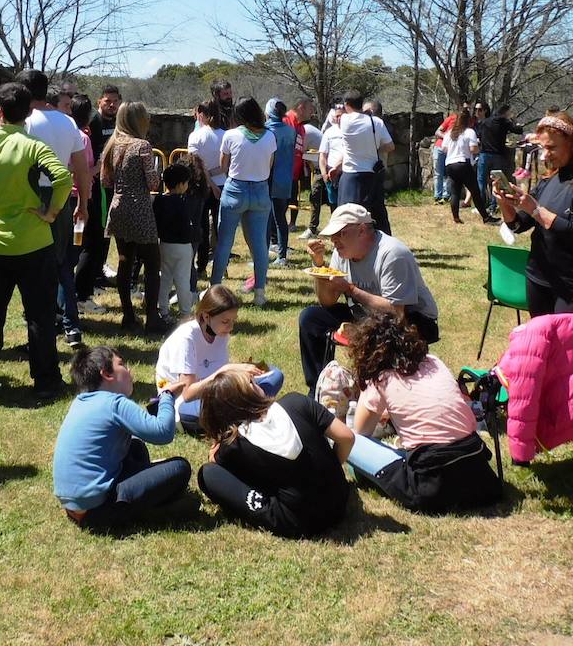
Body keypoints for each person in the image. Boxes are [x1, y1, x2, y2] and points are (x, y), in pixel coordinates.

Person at [0, 82, 72, 398]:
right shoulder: (33, 146)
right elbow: (62, 178)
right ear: (30, 112)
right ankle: (46, 381)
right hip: (33, 243)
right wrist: (51, 212)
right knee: (40, 316)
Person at [344, 313, 501, 514]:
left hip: (430, 484)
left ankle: (362, 475)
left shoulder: (382, 378)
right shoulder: (434, 362)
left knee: (349, 442)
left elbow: (360, 432)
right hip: (476, 470)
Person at [196, 367, 354, 538]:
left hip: (299, 522)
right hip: (340, 502)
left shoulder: (233, 445)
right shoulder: (296, 402)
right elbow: (347, 437)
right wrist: (331, 468)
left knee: (208, 474)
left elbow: (216, 466)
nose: (258, 384)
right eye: (252, 383)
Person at [298, 203, 440, 392]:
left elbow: (396, 312)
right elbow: (328, 302)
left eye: (340, 233)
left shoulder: (392, 253)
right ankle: (320, 388)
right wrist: (319, 266)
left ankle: (379, 394)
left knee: (379, 334)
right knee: (311, 318)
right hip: (368, 316)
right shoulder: (343, 252)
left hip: (412, 321)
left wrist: (350, 289)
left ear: (362, 230)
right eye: (332, 236)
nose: (334, 241)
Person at [52, 346, 193, 528]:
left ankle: (152, 503)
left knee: (136, 447)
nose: (129, 370)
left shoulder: (80, 402)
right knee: (180, 467)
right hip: (99, 509)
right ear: (107, 374)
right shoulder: (114, 403)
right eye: (122, 364)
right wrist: (167, 396)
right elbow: (163, 433)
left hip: (73, 506)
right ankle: (152, 511)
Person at [495, 111, 573, 316]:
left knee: (566, 344)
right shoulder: (548, 179)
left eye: (552, 147)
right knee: (543, 342)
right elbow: (517, 225)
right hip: (538, 276)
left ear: (572, 144)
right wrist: (505, 203)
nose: (545, 155)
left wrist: (536, 210)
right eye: (542, 147)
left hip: (570, 282)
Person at [22, 69, 93, 348]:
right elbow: (81, 169)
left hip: (34, 193)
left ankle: (41, 328)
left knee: (35, 264)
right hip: (63, 194)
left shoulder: (26, 123)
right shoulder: (67, 122)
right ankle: (71, 326)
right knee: (62, 263)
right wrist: (83, 204)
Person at [155, 285, 284, 434]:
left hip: (217, 392)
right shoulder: (186, 338)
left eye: (233, 321)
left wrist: (241, 377)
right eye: (225, 321)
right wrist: (228, 370)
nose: (230, 327)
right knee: (221, 405)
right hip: (186, 403)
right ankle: (253, 408)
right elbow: (187, 393)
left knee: (275, 374)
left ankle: (248, 409)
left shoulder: (220, 332)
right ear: (206, 317)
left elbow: (221, 379)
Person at [102, 101, 169, 332]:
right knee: (152, 262)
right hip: (139, 206)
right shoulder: (142, 145)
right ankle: (152, 317)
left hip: (118, 206)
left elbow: (105, 181)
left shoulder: (112, 144)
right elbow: (152, 182)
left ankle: (128, 316)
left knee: (124, 260)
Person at [211, 97, 277, 306]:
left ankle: (215, 288)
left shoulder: (231, 135)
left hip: (235, 190)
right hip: (260, 191)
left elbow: (224, 166)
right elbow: (270, 164)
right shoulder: (270, 136)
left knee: (224, 243)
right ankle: (259, 292)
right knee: (259, 245)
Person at [73, 85, 121, 312]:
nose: (111, 105)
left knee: (103, 236)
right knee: (90, 239)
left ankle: (96, 277)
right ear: (99, 102)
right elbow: (84, 162)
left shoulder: (119, 125)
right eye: (107, 101)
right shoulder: (91, 126)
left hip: (111, 186)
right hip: (94, 187)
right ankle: (82, 290)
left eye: (115, 101)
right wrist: (98, 169)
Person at [335, 90, 394, 234]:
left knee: (347, 216)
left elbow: (338, 115)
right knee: (377, 214)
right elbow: (390, 146)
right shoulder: (376, 122)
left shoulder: (344, 120)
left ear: (346, 104)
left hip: (351, 175)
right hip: (372, 174)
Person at [188, 99, 226, 287]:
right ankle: (221, 265)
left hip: (202, 186)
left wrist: (209, 181)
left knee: (201, 227)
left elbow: (196, 165)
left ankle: (201, 265)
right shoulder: (226, 135)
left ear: (201, 114)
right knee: (221, 229)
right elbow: (226, 164)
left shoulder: (195, 136)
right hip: (221, 183)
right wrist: (215, 180)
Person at [155, 163, 197, 320]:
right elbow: (188, 225)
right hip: (183, 247)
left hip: (165, 244)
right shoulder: (184, 202)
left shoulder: (159, 200)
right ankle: (185, 312)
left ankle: (163, 310)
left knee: (165, 278)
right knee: (182, 280)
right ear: (181, 185)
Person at [444, 109, 495, 224]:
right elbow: (473, 149)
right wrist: (478, 148)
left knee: (455, 192)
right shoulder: (469, 132)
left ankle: (456, 217)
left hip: (450, 164)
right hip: (463, 163)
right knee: (475, 191)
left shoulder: (450, 133)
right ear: (469, 121)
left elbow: (444, 148)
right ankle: (486, 217)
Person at [265, 98, 297, 266]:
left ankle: (264, 254)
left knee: (265, 218)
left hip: (269, 178)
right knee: (280, 218)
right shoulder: (291, 131)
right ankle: (282, 254)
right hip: (286, 179)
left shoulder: (266, 131)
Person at [477, 103, 524, 202]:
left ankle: (481, 204)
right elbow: (518, 130)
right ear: (506, 113)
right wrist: (515, 120)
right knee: (496, 181)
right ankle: (494, 204)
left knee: (481, 181)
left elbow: (479, 137)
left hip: (484, 154)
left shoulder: (485, 121)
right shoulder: (504, 122)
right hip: (497, 155)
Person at [284, 97, 314, 231]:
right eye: (310, 108)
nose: (312, 112)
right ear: (301, 107)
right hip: (283, 173)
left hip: (295, 174)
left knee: (293, 199)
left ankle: (291, 224)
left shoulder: (302, 127)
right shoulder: (285, 121)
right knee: (281, 204)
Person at [430, 108, 457, 204]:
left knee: (448, 173)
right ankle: (437, 196)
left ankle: (446, 196)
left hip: (451, 150)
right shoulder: (451, 118)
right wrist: (446, 137)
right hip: (439, 148)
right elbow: (437, 132)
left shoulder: (467, 123)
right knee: (438, 173)